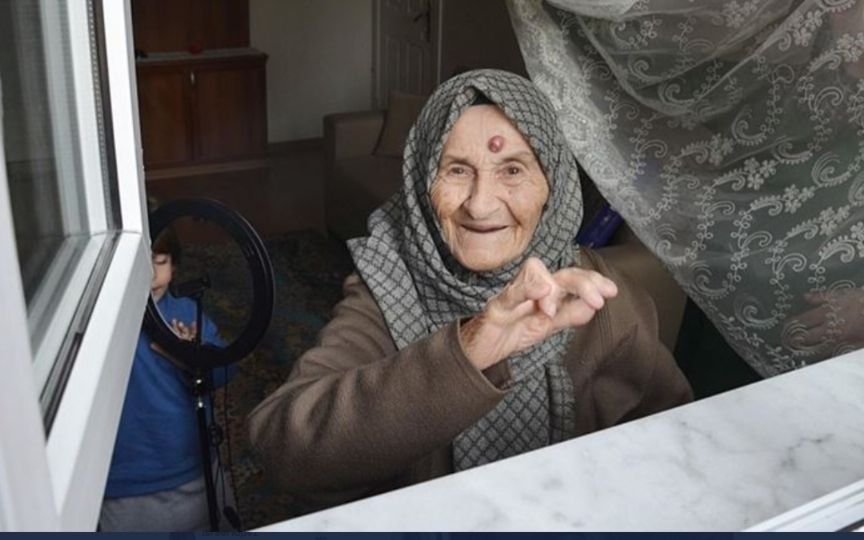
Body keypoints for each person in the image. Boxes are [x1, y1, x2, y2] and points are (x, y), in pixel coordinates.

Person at [248, 69, 692, 508]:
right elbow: (283, 451)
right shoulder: (388, 284)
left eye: (513, 169)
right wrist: (469, 351)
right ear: (423, 185)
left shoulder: (601, 303)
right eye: (457, 170)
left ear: (552, 187)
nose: (480, 205)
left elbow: (678, 449)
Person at [99, 225, 235, 532]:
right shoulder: (101, 324)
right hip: (127, 486)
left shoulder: (187, 313)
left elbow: (225, 372)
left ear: (174, 265)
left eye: (159, 262)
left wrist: (195, 357)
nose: (148, 275)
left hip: (197, 470)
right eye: (138, 263)